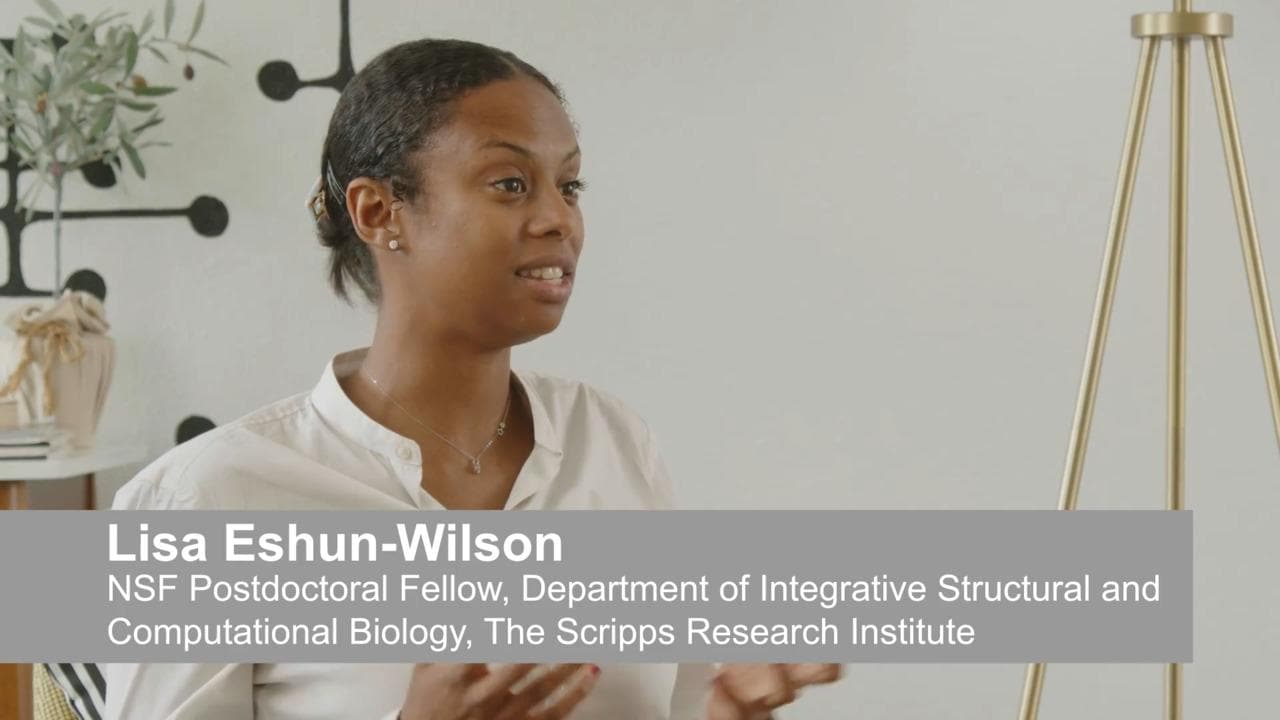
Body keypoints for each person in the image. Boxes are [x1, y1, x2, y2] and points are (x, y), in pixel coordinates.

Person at [106, 38, 841, 719]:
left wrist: (729, 710)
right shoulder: (207, 500)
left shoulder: (611, 440)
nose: (559, 219)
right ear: (378, 212)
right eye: (511, 184)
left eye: (571, 186)